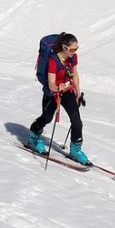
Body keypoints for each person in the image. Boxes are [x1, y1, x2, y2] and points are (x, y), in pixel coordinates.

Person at [28, 32, 90, 165]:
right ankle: (34, 136)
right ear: (64, 47)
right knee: (47, 118)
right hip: (52, 93)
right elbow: (51, 82)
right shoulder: (53, 60)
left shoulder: (73, 58)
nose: (74, 52)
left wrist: (78, 93)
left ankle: (76, 150)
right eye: (72, 49)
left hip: (67, 91)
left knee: (77, 122)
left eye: (76, 49)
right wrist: (57, 87)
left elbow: (74, 74)